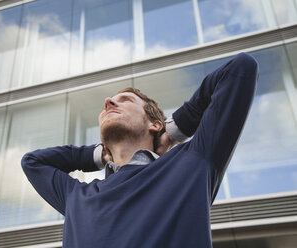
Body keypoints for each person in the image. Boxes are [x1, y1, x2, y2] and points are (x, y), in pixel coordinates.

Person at [21, 52, 259, 248]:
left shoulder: (191, 162)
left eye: (125, 100)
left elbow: (240, 68)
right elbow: (32, 162)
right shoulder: (77, 196)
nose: (108, 102)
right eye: (108, 104)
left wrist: (175, 131)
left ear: (155, 124)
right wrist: (100, 154)